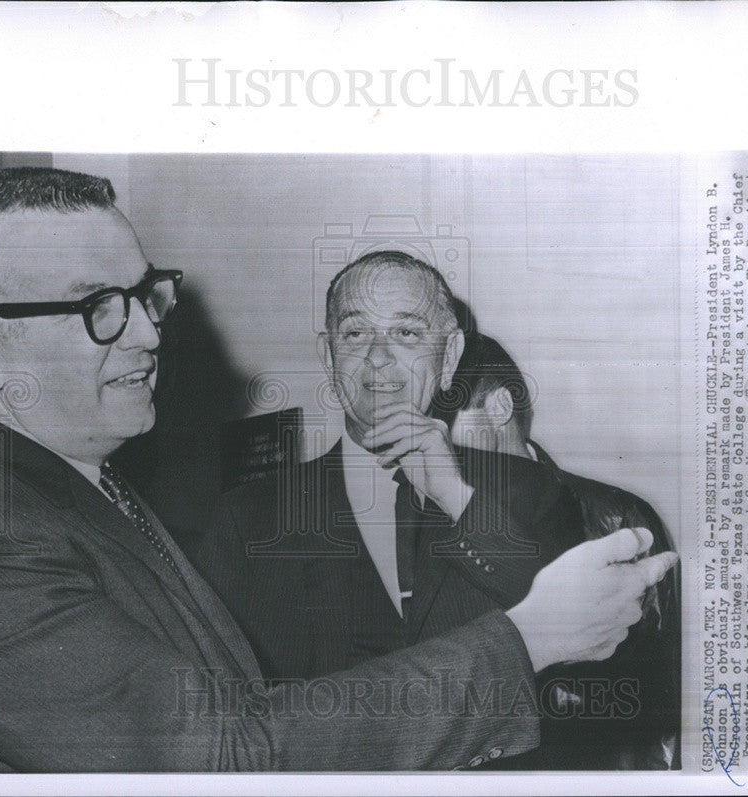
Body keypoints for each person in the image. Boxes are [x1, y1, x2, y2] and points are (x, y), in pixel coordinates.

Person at [0, 168, 677, 773]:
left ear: (448, 357)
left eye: (147, 295)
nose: (147, 332)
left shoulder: (83, 488)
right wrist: (524, 638)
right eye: (101, 306)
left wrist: (461, 501)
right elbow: (220, 751)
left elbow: (600, 653)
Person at [190, 250, 678, 770]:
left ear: (449, 359)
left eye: (406, 334)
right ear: (330, 357)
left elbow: (588, 661)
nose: (378, 358)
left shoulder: (525, 489)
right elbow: (218, 720)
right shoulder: (249, 519)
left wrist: (457, 498)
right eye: (355, 334)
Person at [446, 331, 681, 768]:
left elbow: (658, 703)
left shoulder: (618, 518)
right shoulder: (420, 522)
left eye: (441, 421)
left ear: (498, 408)